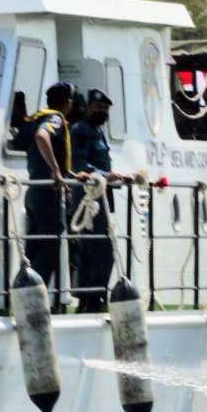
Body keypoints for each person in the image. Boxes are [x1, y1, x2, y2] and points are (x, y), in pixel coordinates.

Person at [24, 81, 81, 293]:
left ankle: (24, 293)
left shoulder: (34, 117)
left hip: (34, 191)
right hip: (48, 193)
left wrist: (71, 174)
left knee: (34, 245)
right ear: (67, 102)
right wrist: (56, 170)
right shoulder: (55, 118)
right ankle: (38, 295)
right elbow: (42, 136)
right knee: (51, 246)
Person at [70, 89, 121, 313]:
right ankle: (91, 298)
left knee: (96, 248)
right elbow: (80, 163)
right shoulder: (81, 130)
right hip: (89, 198)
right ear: (90, 106)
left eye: (106, 109)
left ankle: (92, 297)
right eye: (99, 108)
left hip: (101, 196)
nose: (103, 112)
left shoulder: (98, 131)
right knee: (99, 248)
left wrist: (112, 176)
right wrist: (104, 175)